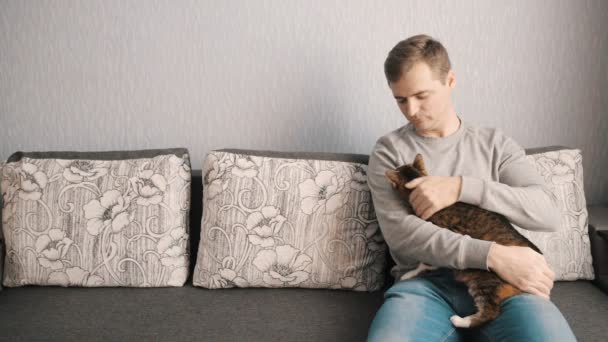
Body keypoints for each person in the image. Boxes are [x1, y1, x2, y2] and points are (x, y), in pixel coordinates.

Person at [366, 34, 576, 341]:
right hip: (425, 286)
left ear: (450, 80)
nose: (411, 110)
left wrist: (461, 187)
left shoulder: (495, 145)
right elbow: (402, 235)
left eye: (422, 96)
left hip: (506, 283)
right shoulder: (390, 151)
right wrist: (491, 255)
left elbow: (548, 213)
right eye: (401, 99)